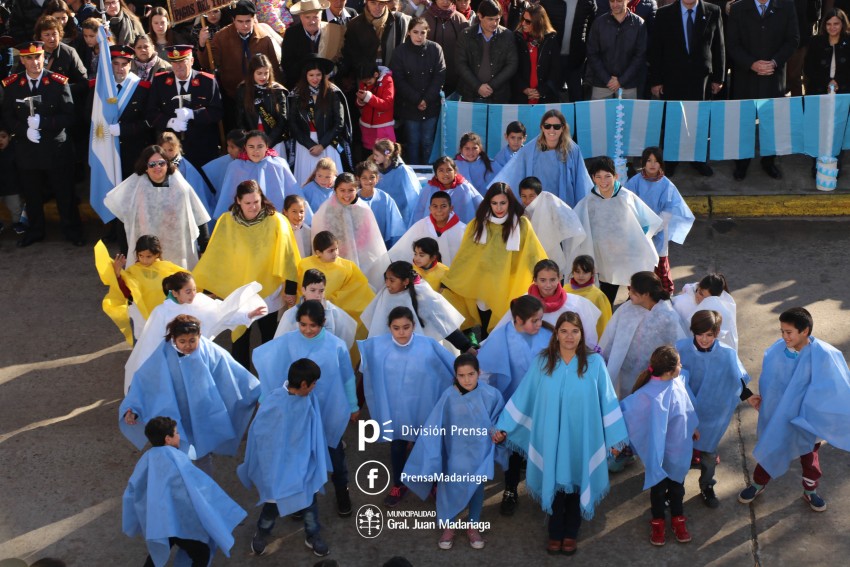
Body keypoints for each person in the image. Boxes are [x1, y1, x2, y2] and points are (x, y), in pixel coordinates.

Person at [496, 311, 629, 555]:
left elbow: (608, 400)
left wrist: (615, 438)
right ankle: (555, 532)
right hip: (551, 436)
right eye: (564, 331)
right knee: (555, 482)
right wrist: (504, 426)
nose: (569, 336)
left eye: (574, 331)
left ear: (582, 334)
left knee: (578, 482)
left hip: (583, 436)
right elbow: (525, 395)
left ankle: (571, 532)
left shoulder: (595, 364)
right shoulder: (542, 362)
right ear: (556, 333)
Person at [253, 301, 360, 518]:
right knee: (299, 457)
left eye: (313, 325)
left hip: (328, 409)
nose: (307, 330)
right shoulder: (288, 342)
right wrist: (265, 397)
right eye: (303, 324)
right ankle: (299, 502)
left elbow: (348, 377)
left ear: (323, 323)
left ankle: (342, 491)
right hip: (297, 412)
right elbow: (274, 370)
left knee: (335, 452)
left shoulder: (337, 345)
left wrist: (352, 405)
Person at [739, 307, 850, 512]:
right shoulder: (777, 350)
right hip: (781, 415)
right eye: (781, 331)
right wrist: (767, 405)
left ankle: (810, 491)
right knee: (773, 445)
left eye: (788, 332)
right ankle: (758, 483)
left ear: (805, 331)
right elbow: (770, 382)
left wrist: (817, 417)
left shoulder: (825, 355)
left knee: (809, 458)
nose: (784, 336)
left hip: (807, 419)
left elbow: (836, 389)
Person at [120, 314, 262, 474]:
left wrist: (259, 394)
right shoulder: (163, 355)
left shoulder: (210, 351)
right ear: (173, 339)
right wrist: (132, 409)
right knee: (180, 452)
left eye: (192, 341)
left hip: (204, 411)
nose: (187, 346)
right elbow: (144, 381)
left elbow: (236, 374)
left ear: (199, 336)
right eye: (182, 342)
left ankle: (204, 487)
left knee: (202, 452)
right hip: (176, 413)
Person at [193, 180, 301, 369]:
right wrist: (209, 288)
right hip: (239, 292)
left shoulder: (276, 220)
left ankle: (270, 378)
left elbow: (289, 256)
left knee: (269, 337)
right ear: (238, 201)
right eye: (248, 203)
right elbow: (216, 255)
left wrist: (290, 289)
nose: (253, 207)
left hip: (269, 291)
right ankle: (242, 385)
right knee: (240, 340)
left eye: (256, 202)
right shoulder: (227, 221)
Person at [404, 353, 507, 550]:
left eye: (471, 374)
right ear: (455, 376)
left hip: (480, 451)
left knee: (477, 487)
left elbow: (498, 420)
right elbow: (435, 424)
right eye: (462, 375)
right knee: (449, 487)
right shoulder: (448, 396)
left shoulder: (492, 394)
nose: (467, 379)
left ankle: (473, 526)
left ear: (479, 372)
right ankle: (448, 525)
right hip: (454, 451)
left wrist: (498, 433)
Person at [359, 306, 456, 506]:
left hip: (425, 405)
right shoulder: (378, 348)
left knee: (430, 445)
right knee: (397, 445)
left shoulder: (428, 345)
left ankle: (433, 482)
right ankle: (399, 483)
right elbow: (367, 372)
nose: (401, 332)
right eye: (396, 328)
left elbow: (451, 366)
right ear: (389, 328)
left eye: (406, 327)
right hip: (397, 410)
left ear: (414, 326)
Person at [238, 359, 333, 557]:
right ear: (305, 384)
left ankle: (312, 535)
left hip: (304, 462)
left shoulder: (308, 397)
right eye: (314, 383)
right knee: (272, 505)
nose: (315, 387)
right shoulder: (274, 403)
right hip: (279, 466)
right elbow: (262, 435)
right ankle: (262, 532)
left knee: (309, 503)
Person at [122, 416, 246, 567]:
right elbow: (197, 488)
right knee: (202, 554)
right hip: (180, 519)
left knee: (157, 553)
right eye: (177, 433)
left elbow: (133, 489)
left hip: (158, 520)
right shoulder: (178, 459)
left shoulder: (146, 459)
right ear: (168, 439)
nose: (179, 436)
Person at [122, 272, 267, 392]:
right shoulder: (162, 312)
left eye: (194, 289)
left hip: (200, 358)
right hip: (176, 364)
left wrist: (247, 314)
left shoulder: (200, 301)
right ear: (175, 293)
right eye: (188, 291)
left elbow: (221, 313)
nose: (193, 294)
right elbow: (150, 345)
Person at [1, 41, 83, 248]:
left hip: (55, 148)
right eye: (29, 58)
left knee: (64, 193)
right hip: (27, 149)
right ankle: (35, 231)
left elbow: (69, 116)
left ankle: (72, 230)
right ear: (22, 60)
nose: (34, 62)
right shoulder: (12, 85)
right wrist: (23, 130)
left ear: (43, 58)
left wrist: (44, 123)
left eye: (38, 57)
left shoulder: (57, 82)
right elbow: (7, 116)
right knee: (32, 193)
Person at [477, 295, 552, 515]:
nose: (539, 324)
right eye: (534, 320)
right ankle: (510, 489)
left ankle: (544, 490)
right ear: (518, 319)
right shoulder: (501, 337)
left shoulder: (548, 336)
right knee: (513, 449)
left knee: (541, 447)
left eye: (540, 319)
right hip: (513, 404)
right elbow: (486, 373)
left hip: (541, 403)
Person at [441, 183, 546, 335]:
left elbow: (533, 253)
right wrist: (450, 279)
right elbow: (465, 255)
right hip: (483, 284)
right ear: (488, 203)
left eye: (503, 203)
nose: (499, 208)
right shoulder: (477, 224)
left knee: (505, 328)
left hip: (509, 284)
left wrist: (543, 275)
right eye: (494, 203)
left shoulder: (521, 224)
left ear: (510, 202)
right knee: (485, 329)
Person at [620, 345, 698, 546]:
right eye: (679, 363)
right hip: (659, 453)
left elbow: (687, 408)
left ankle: (677, 519)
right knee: (658, 491)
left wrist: (693, 427)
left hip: (678, 449)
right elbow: (628, 414)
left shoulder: (678, 381)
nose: (682, 366)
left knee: (677, 489)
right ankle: (658, 521)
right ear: (670, 370)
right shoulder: (647, 394)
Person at [677, 310, 752, 508]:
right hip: (685, 413)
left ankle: (707, 485)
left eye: (709, 335)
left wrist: (750, 397)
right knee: (680, 453)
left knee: (709, 455)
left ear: (717, 333)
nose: (704, 339)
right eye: (700, 334)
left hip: (712, 414)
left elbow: (739, 379)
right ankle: (676, 487)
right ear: (692, 331)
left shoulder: (727, 353)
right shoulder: (680, 349)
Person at [569, 156, 662, 305]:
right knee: (606, 296)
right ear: (592, 178)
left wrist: (637, 241)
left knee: (637, 294)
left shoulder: (626, 197)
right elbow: (578, 226)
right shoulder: (588, 202)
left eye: (607, 176)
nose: (603, 181)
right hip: (605, 257)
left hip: (629, 254)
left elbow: (646, 222)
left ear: (615, 176)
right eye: (598, 177)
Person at [648, 0, 724, 177]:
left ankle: (697, 159)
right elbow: (656, 49)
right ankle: (672, 160)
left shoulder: (713, 11)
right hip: (672, 78)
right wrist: (656, 80)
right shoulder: (664, 14)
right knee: (673, 120)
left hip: (701, 79)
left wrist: (719, 77)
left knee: (699, 120)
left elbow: (719, 46)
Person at [104, 145, 211, 268]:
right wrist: (124, 252)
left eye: (161, 163)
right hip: (145, 255)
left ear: (167, 164)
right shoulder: (134, 188)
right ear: (145, 167)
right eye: (152, 164)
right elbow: (123, 220)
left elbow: (199, 216)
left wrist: (204, 248)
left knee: (174, 286)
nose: (157, 167)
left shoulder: (181, 187)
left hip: (177, 251)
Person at [726, 0, 799, 180]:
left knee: (771, 122)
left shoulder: (787, 6)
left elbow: (793, 40)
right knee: (744, 122)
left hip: (773, 75)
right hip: (745, 77)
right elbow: (732, 43)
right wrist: (751, 63)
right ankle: (741, 163)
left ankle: (769, 161)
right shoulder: (737, 9)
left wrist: (774, 62)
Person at [598, 271, 686, 399]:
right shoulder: (627, 309)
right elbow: (611, 337)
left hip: (654, 380)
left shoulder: (667, 318)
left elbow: (677, 349)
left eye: (633, 291)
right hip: (625, 374)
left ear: (646, 294)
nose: (629, 294)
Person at [625, 147, 695, 294]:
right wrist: (640, 227)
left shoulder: (667, 185)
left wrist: (652, 228)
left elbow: (669, 210)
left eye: (656, 161)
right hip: (638, 232)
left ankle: (665, 295)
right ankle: (635, 294)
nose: (652, 164)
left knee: (660, 267)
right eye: (649, 160)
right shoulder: (634, 182)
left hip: (658, 232)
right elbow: (627, 205)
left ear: (661, 164)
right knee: (637, 267)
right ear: (643, 162)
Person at [361, 261, 473, 352]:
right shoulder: (385, 294)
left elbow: (443, 322)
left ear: (405, 281)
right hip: (390, 352)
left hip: (419, 352)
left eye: (392, 280)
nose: (387, 284)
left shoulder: (422, 294)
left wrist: (466, 346)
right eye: (386, 279)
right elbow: (376, 324)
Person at [490, 110, 593, 208]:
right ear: (542, 128)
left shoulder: (573, 150)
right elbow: (513, 176)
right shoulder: (529, 150)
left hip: (564, 206)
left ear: (563, 128)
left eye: (556, 126)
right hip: (536, 206)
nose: (551, 130)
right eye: (547, 126)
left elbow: (581, 183)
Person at [206, 0, 283, 130]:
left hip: (261, 96)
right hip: (232, 94)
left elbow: (274, 69)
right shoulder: (221, 37)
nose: (244, 25)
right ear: (233, 20)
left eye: (248, 21)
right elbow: (209, 63)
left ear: (254, 19)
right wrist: (203, 45)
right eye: (240, 22)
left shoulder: (264, 38)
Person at [146, 44, 223, 168]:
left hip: (202, 147)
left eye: (183, 61)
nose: (178, 66)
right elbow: (151, 113)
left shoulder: (207, 82)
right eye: (174, 62)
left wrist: (194, 114)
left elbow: (217, 112)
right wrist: (170, 122)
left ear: (192, 61)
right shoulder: (160, 82)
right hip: (170, 150)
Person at [491, 258, 601, 345]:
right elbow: (503, 330)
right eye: (543, 280)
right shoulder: (523, 302)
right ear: (535, 280)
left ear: (559, 278)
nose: (548, 285)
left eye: (552, 280)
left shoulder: (576, 304)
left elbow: (588, 337)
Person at [311, 172, 390, 290]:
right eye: (342, 190)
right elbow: (320, 239)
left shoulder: (363, 209)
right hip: (335, 260)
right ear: (335, 190)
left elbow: (371, 239)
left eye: (350, 190)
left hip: (362, 260)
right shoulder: (326, 210)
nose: (346, 195)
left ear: (356, 189)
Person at [97, 235, 184, 341]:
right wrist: (117, 273)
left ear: (157, 254)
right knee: (144, 340)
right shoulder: (133, 271)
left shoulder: (167, 268)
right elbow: (126, 293)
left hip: (165, 313)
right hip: (141, 315)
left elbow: (183, 285)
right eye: (141, 256)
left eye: (148, 256)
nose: (144, 260)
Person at [390, 17, 446, 165]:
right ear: (409, 32)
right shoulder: (400, 52)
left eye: (423, 32)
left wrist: (426, 99)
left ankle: (429, 173)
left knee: (428, 142)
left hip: (431, 105)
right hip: (409, 106)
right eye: (415, 32)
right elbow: (398, 79)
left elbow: (439, 76)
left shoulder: (435, 49)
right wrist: (417, 99)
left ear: (427, 32)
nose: (419, 36)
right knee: (412, 142)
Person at [289, 55, 351, 186]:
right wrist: (310, 144)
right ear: (305, 76)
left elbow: (339, 123)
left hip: (327, 143)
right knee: (305, 182)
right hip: (305, 145)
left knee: (331, 183)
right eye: (311, 75)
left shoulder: (333, 93)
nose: (315, 79)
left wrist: (322, 145)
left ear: (323, 75)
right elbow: (293, 123)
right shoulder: (296, 94)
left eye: (318, 75)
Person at [298, 230, 376, 329]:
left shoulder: (348, 266)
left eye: (336, 249)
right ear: (318, 252)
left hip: (337, 314)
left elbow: (358, 290)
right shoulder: (305, 265)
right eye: (330, 251)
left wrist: (330, 302)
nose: (335, 253)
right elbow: (300, 290)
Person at [804, 9, 850, 176]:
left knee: (838, 131)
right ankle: (817, 163)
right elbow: (808, 68)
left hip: (843, 95)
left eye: (836, 24)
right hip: (818, 93)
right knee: (818, 130)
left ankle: (835, 164)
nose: (832, 28)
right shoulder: (816, 42)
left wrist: (839, 82)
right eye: (829, 24)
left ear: (843, 24)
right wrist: (826, 82)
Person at [98, 44, 154, 180]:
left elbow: (149, 121)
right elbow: (89, 115)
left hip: (133, 149)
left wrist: (123, 129)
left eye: (124, 64)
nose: (120, 68)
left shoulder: (142, 89)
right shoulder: (98, 88)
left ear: (131, 65)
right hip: (106, 148)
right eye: (116, 64)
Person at [216, 129, 300, 218]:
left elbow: (292, 191)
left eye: (260, 146)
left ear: (267, 146)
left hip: (274, 219)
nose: (256, 151)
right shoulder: (235, 167)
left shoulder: (278, 164)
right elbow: (227, 197)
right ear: (245, 147)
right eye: (251, 147)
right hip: (244, 220)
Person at [518, 176, 585, 279]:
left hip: (552, 253)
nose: (527, 200)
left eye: (532, 196)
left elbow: (569, 221)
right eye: (524, 196)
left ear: (539, 195)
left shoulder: (550, 204)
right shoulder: (520, 211)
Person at [274, 268, 358, 347]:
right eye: (313, 290)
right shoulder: (291, 314)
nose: (317, 295)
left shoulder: (333, 311)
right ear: (303, 290)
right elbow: (279, 343)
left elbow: (347, 335)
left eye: (321, 291)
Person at [455, 0, 518, 103]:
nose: (494, 23)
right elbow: (460, 63)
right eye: (490, 19)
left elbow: (512, 64)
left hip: (499, 96)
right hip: (470, 95)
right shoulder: (466, 35)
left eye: (497, 19)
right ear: (480, 16)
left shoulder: (507, 35)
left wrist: (491, 86)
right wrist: (477, 86)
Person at [281, 0, 347, 90]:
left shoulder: (333, 31)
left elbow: (341, 62)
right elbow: (287, 64)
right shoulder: (291, 34)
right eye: (307, 17)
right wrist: (308, 78)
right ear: (300, 17)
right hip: (299, 87)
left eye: (315, 17)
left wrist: (329, 73)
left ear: (321, 15)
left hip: (328, 86)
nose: (312, 21)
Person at [539, 0, 596, 102]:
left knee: (577, 98)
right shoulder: (547, 2)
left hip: (576, 60)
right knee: (551, 96)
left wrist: (584, 50)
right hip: (552, 60)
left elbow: (591, 30)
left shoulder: (587, 3)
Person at [390, 191, 466, 266]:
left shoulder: (462, 229)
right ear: (430, 209)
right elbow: (402, 251)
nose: (439, 210)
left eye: (443, 206)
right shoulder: (421, 225)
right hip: (424, 276)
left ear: (451, 208)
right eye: (435, 206)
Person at [236, 54, 290, 150]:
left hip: (275, 143)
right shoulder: (243, 90)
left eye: (266, 73)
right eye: (259, 73)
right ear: (252, 73)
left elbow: (283, 119)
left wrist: (270, 141)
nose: (263, 77)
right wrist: (249, 138)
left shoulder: (277, 90)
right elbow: (240, 118)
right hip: (252, 144)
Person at [672, 273, 738, 351]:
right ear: (699, 286)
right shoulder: (681, 302)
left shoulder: (722, 308)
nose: (700, 298)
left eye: (707, 300)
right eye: (700, 293)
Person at [158, 131, 216, 215]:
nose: (167, 154)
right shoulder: (160, 163)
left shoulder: (182, 166)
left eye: (170, 150)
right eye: (164, 150)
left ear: (177, 148)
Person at [412, 156, 483, 223]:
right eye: (441, 170)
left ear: (455, 172)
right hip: (433, 230)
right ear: (436, 174)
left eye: (449, 170)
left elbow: (480, 204)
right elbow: (419, 212)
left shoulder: (465, 187)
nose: (445, 174)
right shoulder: (429, 189)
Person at [343, 0, 411, 69]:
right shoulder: (355, 24)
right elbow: (352, 56)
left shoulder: (399, 21)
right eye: (373, 3)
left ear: (386, 4)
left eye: (381, 3)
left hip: (393, 75)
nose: (377, 7)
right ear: (366, 3)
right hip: (365, 76)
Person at [514, 3, 561, 104]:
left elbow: (556, 70)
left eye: (528, 21)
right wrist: (524, 88)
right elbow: (512, 68)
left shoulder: (551, 39)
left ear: (538, 23)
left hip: (545, 98)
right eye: (523, 19)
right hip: (520, 97)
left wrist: (542, 90)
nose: (523, 23)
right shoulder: (517, 38)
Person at [369, 138, 422, 226]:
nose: (374, 158)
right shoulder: (377, 170)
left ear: (387, 154)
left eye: (377, 155)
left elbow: (413, 196)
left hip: (400, 214)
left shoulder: (403, 170)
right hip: (383, 213)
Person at [355, 160, 405, 248]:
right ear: (358, 179)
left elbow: (396, 226)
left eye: (372, 177)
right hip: (358, 246)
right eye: (364, 178)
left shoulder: (385, 198)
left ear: (377, 178)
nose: (368, 181)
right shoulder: (353, 199)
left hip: (381, 246)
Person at [424, 0, 469, 96]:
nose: (445, 1)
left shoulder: (461, 20)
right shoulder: (424, 19)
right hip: (428, 77)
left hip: (454, 78)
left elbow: (467, 51)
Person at [567, 255, 612, 338]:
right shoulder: (565, 289)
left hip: (588, 339)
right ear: (573, 272)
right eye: (577, 271)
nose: (581, 275)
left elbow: (603, 324)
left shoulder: (598, 296)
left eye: (585, 272)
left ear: (592, 273)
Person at [355, 63, 396, 151]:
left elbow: (387, 104)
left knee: (384, 155)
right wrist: (360, 100)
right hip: (367, 127)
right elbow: (359, 105)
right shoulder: (364, 82)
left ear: (376, 75)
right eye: (364, 82)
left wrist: (369, 98)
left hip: (383, 126)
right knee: (368, 156)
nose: (367, 84)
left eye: (369, 82)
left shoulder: (387, 80)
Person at [202, 128, 245, 193]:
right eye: (228, 146)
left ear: (242, 148)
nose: (229, 150)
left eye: (232, 147)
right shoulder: (225, 161)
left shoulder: (251, 163)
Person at [0, 126, 23, 236]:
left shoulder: (15, 151)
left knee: (16, 207)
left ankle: (17, 223)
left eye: (3, 137)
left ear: (9, 138)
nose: (0, 140)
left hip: (12, 187)